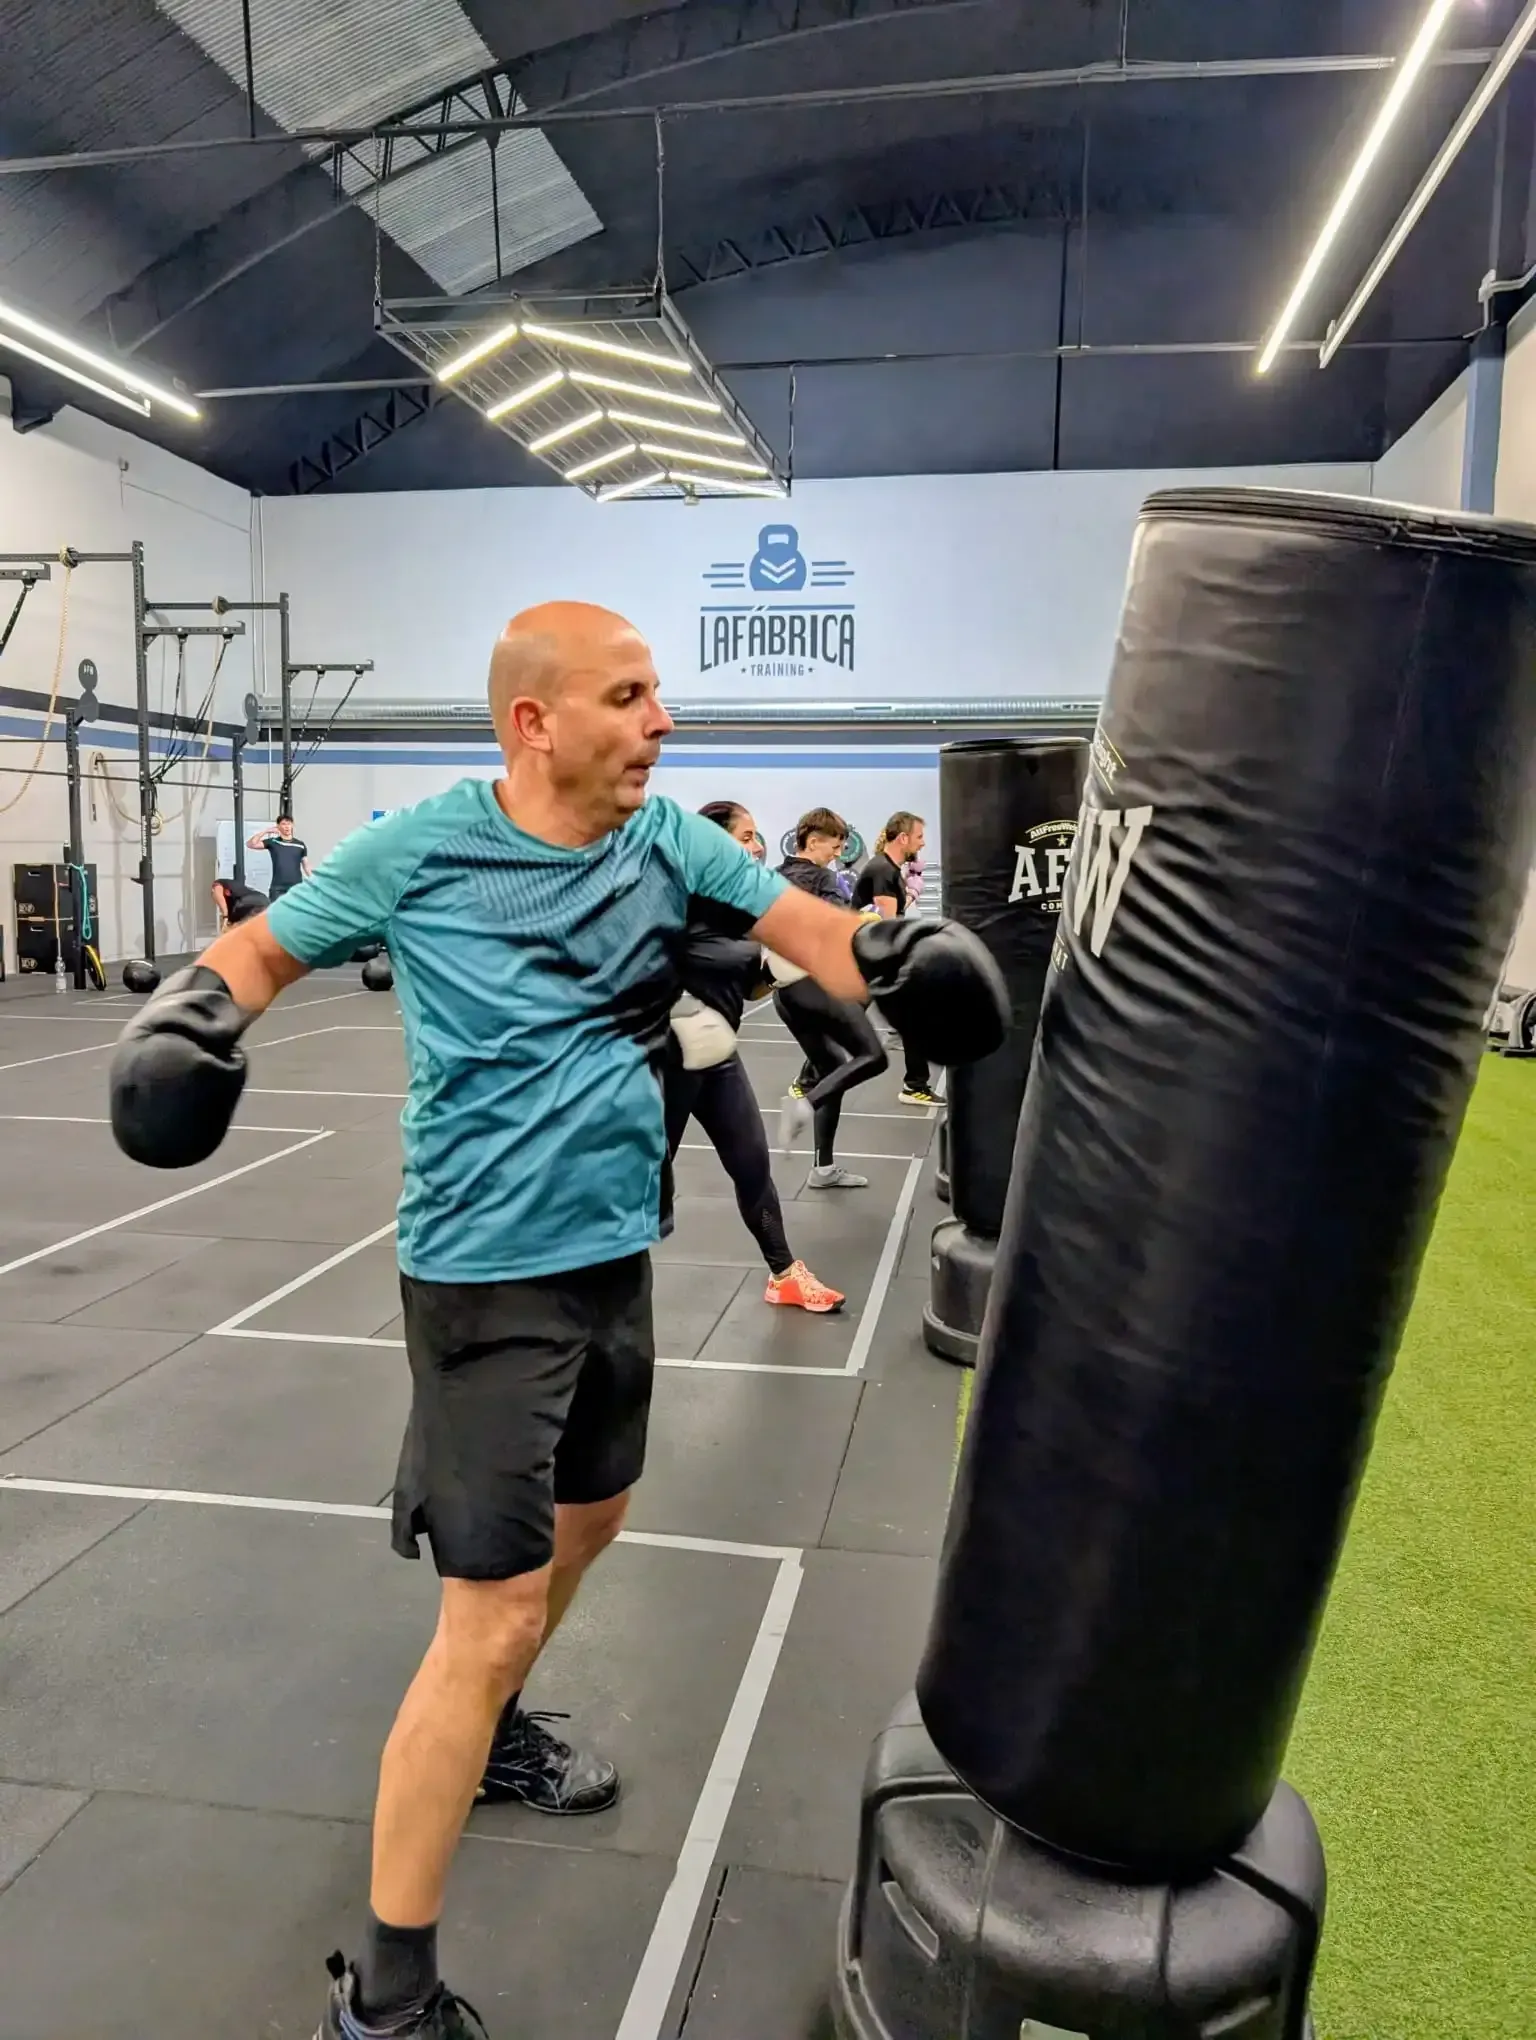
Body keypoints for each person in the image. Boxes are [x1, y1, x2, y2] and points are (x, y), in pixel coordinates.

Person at [108, 601, 1006, 2040]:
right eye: (632, 694)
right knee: (493, 1612)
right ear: (537, 722)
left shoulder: (667, 842)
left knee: (594, 1520)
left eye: (660, 694)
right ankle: (387, 2003)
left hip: (611, 1256)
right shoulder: (420, 847)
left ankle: (498, 1722)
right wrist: (187, 1020)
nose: (665, 721)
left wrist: (890, 963)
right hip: (481, 1278)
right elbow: (263, 954)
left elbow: (808, 926)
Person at [669, 801, 845, 1313]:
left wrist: (776, 971)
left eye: (756, 835)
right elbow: (671, 959)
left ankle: (784, 1273)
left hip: (720, 1054)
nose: (758, 845)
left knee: (752, 1164)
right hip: (669, 1058)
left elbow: (747, 988)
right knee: (649, 1177)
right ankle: (589, 1283)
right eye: (745, 836)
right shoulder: (676, 899)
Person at [773, 808, 891, 1190]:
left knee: (832, 1068)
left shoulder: (773, 876)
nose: (837, 855)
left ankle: (823, 1168)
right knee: (872, 1056)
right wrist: (867, 921)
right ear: (812, 842)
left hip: (784, 994)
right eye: (834, 847)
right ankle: (803, 1104)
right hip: (812, 986)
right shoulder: (822, 877)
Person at [854, 813, 941, 1107]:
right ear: (903, 838)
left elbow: (895, 915)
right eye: (918, 837)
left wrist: (911, 889)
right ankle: (915, 1085)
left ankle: (916, 1084)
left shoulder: (889, 869)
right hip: (869, 957)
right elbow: (886, 925)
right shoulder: (882, 869)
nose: (923, 842)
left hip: (871, 955)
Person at [248, 812, 311, 900]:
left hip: (296, 886)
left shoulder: (300, 844)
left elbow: (306, 866)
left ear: (292, 825)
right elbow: (251, 844)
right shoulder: (273, 842)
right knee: (275, 912)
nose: (286, 826)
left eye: (289, 824)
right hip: (278, 887)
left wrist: (314, 879)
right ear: (278, 826)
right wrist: (266, 831)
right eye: (283, 824)